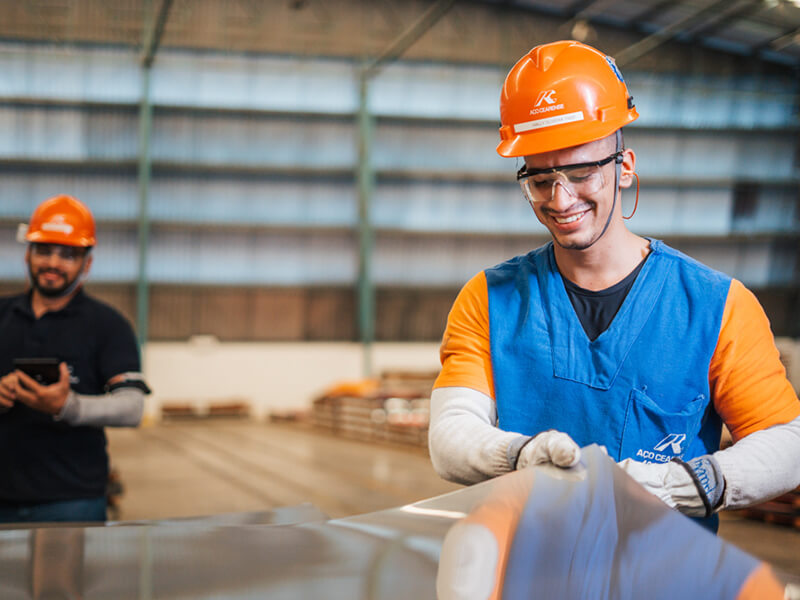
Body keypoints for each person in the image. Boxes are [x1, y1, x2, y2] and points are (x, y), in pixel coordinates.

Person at [428, 40, 800, 531]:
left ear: (623, 167)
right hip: (531, 571)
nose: (560, 199)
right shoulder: (489, 300)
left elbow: (787, 440)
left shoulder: (717, 306)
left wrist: (692, 482)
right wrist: (521, 456)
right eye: (540, 180)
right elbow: (451, 434)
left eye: (581, 172)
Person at [0, 195, 150, 523]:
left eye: (68, 254)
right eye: (44, 250)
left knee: (66, 578)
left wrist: (67, 406)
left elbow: (132, 407)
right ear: (28, 253)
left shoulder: (108, 325)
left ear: (87, 264)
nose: (53, 262)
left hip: (72, 500)